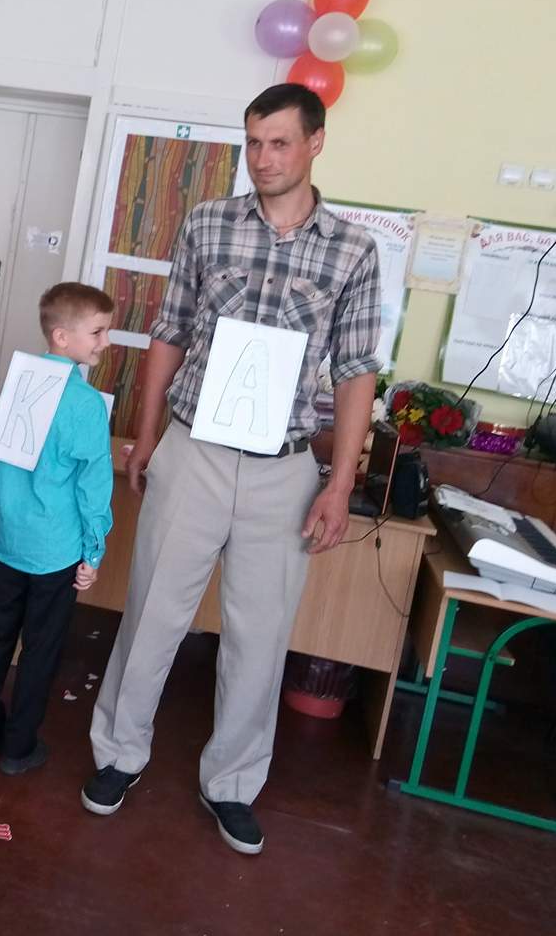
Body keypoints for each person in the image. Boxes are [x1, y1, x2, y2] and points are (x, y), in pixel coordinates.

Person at [83, 83, 382, 857]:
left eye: (279, 142)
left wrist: (340, 483)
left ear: (315, 142)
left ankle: (233, 784)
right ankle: (118, 754)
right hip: (196, 451)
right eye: (253, 142)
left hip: (285, 468)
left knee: (260, 634)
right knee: (153, 611)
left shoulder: (353, 249)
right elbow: (170, 332)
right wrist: (146, 436)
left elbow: (356, 372)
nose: (263, 158)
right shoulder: (207, 223)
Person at [0, 283, 113, 774]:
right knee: (41, 647)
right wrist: (93, 550)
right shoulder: (87, 404)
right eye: (97, 331)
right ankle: (18, 747)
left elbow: (0, 465)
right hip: (57, 548)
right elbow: (93, 486)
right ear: (62, 336)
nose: (105, 341)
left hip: (10, 542)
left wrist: (2, 512)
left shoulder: (19, 384)